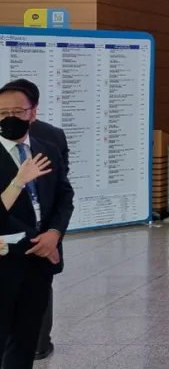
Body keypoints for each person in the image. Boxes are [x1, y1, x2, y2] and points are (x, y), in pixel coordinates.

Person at [0, 81, 75, 369]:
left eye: (17, 112)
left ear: (33, 113)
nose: (10, 118)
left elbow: (64, 197)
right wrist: (35, 239)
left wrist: (53, 234)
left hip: (40, 261)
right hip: (6, 259)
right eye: (2, 113)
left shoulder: (48, 149)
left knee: (26, 338)